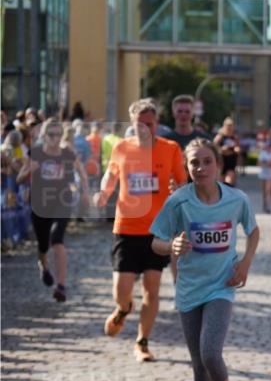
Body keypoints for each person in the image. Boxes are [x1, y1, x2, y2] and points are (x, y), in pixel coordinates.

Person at [150, 139, 259, 381]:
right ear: (187, 167)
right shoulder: (179, 202)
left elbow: (253, 232)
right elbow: (156, 240)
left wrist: (245, 263)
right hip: (189, 289)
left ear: (217, 165)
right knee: (199, 366)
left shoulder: (236, 199)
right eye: (194, 163)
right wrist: (170, 247)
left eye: (206, 162)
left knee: (211, 352)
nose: (200, 168)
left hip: (221, 286)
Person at [94, 99, 187, 362]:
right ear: (132, 124)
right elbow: (111, 176)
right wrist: (103, 193)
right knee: (121, 289)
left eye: (150, 123)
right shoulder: (122, 148)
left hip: (158, 230)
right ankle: (123, 309)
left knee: (152, 289)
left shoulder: (170, 148)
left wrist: (178, 190)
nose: (145, 128)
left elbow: (182, 181)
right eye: (139, 124)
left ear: (156, 123)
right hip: (126, 226)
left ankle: (142, 342)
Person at [17, 117, 90, 302]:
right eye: (51, 134)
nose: (55, 138)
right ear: (44, 135)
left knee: (57, 239)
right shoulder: (36, 154)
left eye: (58, 134)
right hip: (40, 204)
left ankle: (61, 286)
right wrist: (28, 171)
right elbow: (19, 178)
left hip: (62, 202)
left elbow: (82, 173)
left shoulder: (67, 154)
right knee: (43, 245)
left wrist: (85, 193)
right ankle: (44, 266)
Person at [213, 117, 241, 187]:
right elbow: (213, 148)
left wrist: (237, 150)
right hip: (222, 161)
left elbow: (238, 148)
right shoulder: (220, 136)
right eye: (228, 125)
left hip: (231, 162)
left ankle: (227, 195)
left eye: (231, 125)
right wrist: (221, 149)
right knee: (220, 183)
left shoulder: (235, 137)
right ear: (224, 126)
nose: (229, 127)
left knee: (229, 182)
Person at [257, 134, 271, 213]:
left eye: (270, 147)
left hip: (270, 174)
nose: (269, 148)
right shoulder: (262, 153)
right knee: (263, 191)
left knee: (268, 190)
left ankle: (269, 206)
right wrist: (266, 164)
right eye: (268, 146)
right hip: (263, 174)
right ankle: (264, 204)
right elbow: (258, 164)